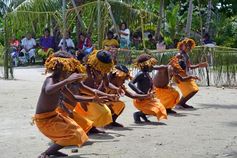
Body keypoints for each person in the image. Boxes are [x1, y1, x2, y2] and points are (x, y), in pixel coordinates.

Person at [33, 51, 105, 158]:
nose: (69, 71)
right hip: (44, 120)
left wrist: (92, 99)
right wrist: (67, 80)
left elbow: (74, 97)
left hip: (55, 117)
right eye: (68, 68)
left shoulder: (60, 82)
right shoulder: (50, 80)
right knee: (72, 134)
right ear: (60, 68)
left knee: (77, 132)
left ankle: (54, 151)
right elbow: (48, 90)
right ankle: (46, 153)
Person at [73, 50, 119, 133]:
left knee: (106, 112)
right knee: (102, 112)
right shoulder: (84, 71)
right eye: (101, 67)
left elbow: (107, 84)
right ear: (95, 63)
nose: (102, 69)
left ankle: (91, 127)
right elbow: (79, 89)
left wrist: (116, 89)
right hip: (81, 98)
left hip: (93, 96)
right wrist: (82, 102)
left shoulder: (102, 70)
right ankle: (86, 126)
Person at [128, 54, 167, 123]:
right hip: (141, 99)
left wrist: (152, 89)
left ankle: (142, 114)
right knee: (157, 109)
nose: (152, 67)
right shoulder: (141, 74)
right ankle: (137, 114)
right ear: (145, 65)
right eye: (151, 65)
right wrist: (139, 92)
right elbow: (130, 83)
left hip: (147, 97)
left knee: (160, 108)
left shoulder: (147, 74)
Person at [172, 39, 208, 108]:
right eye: (186, 45)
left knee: (194, 89)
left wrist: (199, 65)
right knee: (192, 90)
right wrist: (175, 76)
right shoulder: (179, 55)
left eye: (189, 46)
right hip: (179, 76)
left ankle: (182, 103)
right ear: (182, 45)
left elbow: (189, 67)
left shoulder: (186, 56)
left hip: (186, 75)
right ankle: (179, 104)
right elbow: (173, 66)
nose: (188, 47)